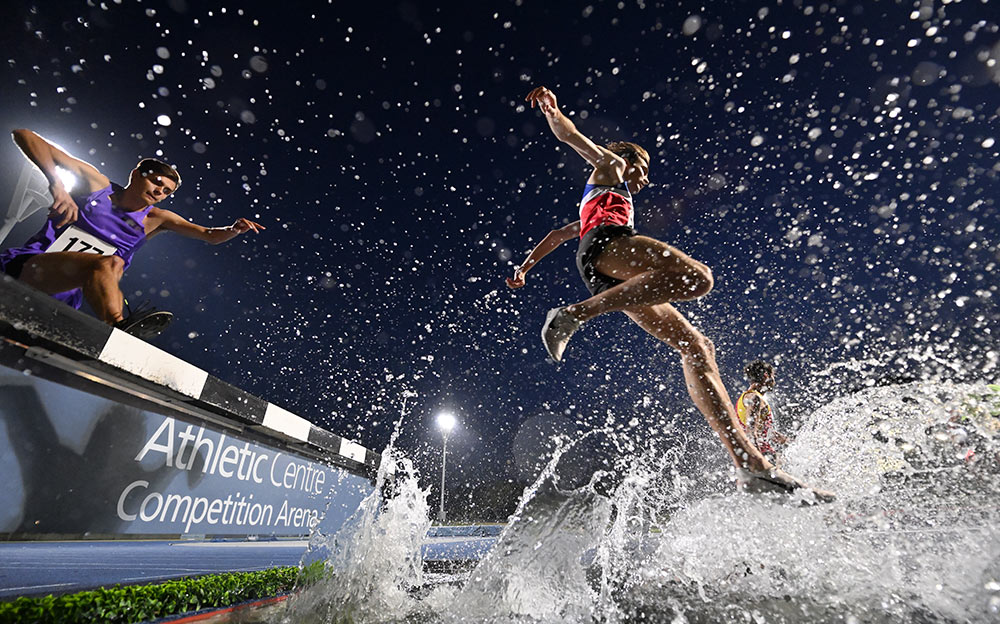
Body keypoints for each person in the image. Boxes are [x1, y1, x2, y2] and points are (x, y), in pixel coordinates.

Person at [506, 86, 832, 502]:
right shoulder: (610, 166)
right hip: (609, 247)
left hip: (602, 263)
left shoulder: (601, 201)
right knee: (698, 278)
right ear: (626, 159)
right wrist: (553, 111)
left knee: (697, 346)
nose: (645, 176)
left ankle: (751, 466)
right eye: (642, 166)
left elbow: (559, 234)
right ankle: (574, 314)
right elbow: (571, 136)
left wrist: (525, 267)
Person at [0, 129, 264, 338]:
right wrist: (57, 185)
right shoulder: (97, 186)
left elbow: (209, 235)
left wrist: (233, 230)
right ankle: (119, 330)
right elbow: (25, 135)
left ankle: (120, 332)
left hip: (63, 298)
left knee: (109, 268)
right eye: (156, 183)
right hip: (26, 269)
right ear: (136, 175)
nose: (160, 192)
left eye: (167, 192)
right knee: (110, 263)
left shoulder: (155, 219)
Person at [736, 360, 790, 463]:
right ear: (766, 376)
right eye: (773, 376)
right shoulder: (754, 398)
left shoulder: (750, 397)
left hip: (763, 455)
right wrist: (759, 462)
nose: (774, 380)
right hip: (762, 457)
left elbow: (765, 432)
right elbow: (751, 432)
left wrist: (790, 442)